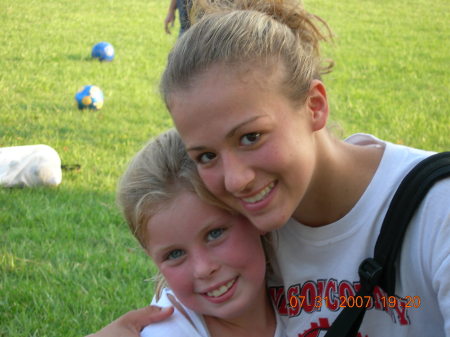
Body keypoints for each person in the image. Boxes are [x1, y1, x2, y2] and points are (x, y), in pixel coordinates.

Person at [88, 0, 450, 335]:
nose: (235, 180)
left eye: (251, 137)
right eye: (206, 156)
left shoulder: (437, 212)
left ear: (314, 106)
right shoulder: (235, 225)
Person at [111, 129, 285, 337]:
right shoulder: (170, 333)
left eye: (215, 234)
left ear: (251, 213)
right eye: (175, 254)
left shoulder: (305, 283)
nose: (203, 269)